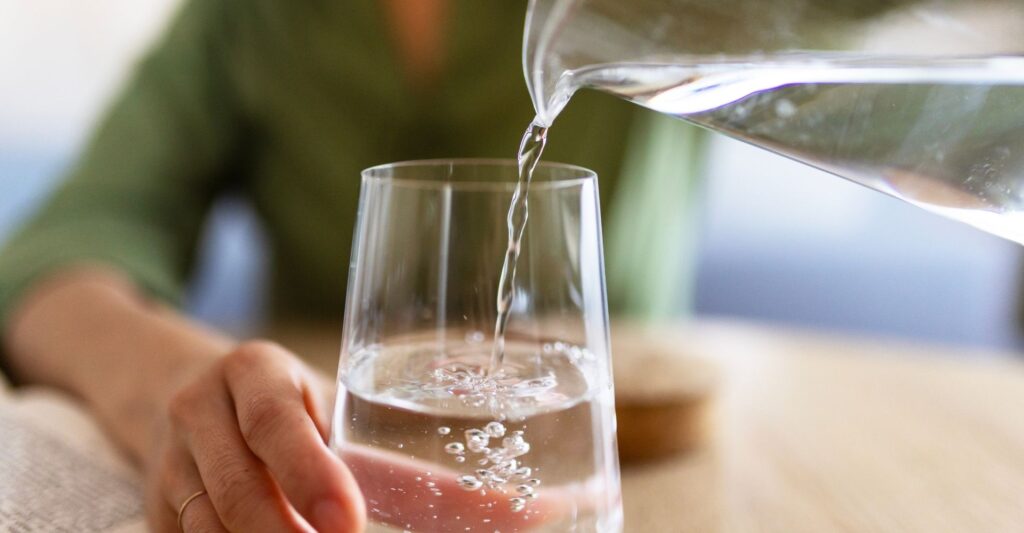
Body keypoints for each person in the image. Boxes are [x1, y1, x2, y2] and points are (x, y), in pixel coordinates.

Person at [0, 0, 700, 531]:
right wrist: (177, 382)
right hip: (327, 475)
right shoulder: (252, 19)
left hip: (661, 467)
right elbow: (67, 241)